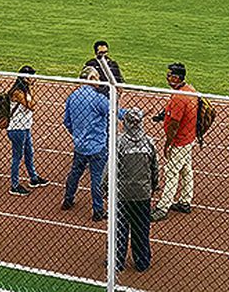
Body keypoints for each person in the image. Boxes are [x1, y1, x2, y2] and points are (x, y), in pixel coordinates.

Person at [62, 66, 123, 221]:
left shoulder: (73, 97)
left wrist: (77, 134)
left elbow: (66, 121)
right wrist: (134, 114)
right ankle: (98, 210)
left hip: (80, 145)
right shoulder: (98, 99)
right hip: (97, 146)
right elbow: (115, 112)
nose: (99, 80)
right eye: (97, 77)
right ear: (91, 79)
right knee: (97, 177)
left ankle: (68, 200)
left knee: (75, 173)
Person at [102, 108, 157, 272]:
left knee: (119, 229)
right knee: (141, 229)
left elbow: (109, 169)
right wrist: (152, 187)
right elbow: (155, 169)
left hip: (122, 194)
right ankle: (142, 261)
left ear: (125, 123)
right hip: (142, 194)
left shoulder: (118, 142)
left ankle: (116, 261)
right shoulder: (149, 142)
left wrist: (104, 188)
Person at [150, 62, 197, 221]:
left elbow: (175, 124)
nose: (167, 77)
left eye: (170, 75)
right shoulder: (189, 90)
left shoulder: (178, 97)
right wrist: (163, 115)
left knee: (171, 172)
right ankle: (185, 200)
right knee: (185, 169)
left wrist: (168, 143)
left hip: (179, 141)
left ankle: (163, 207)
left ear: (176, 78)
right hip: (189, 138)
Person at [7, 66, 48, 196]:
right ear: (24, 77)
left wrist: (30, 89)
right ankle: (14, 185)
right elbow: (30, 106)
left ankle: (33, 178)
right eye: (31, 76)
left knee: (29, 153)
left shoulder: (25, 90)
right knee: (17, 157)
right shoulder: (17, 92)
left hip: (25, 127)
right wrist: (31, 89)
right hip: (17, 129)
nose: (33, 78)